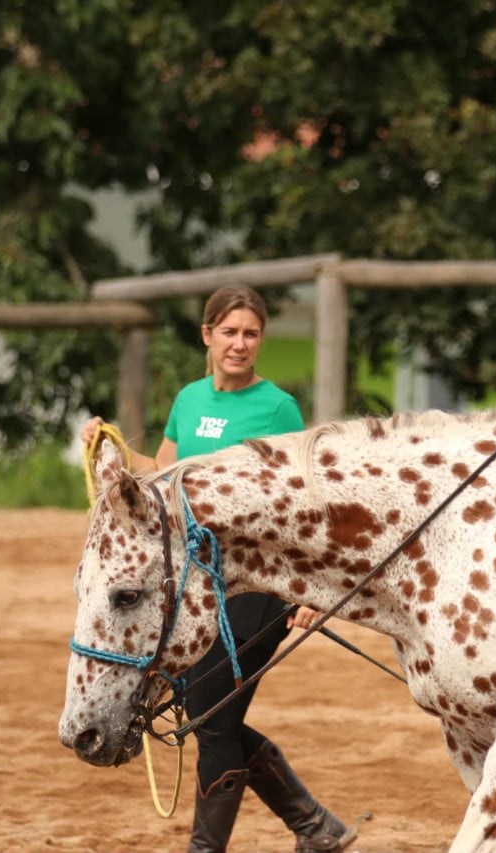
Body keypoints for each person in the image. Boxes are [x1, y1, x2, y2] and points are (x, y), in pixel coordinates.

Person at [81, 284, 360, 853]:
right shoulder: (189, 399)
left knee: (211, 719)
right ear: (207, 335)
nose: (240, 344)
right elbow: (163, 472)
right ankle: (316, 827)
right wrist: (106, 444)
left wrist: (309, 590)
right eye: (229, 332)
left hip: (259, 586)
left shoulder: (277, 407)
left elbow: (303, 504)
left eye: (251, 333)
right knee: (212, 716)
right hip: (196, 588)